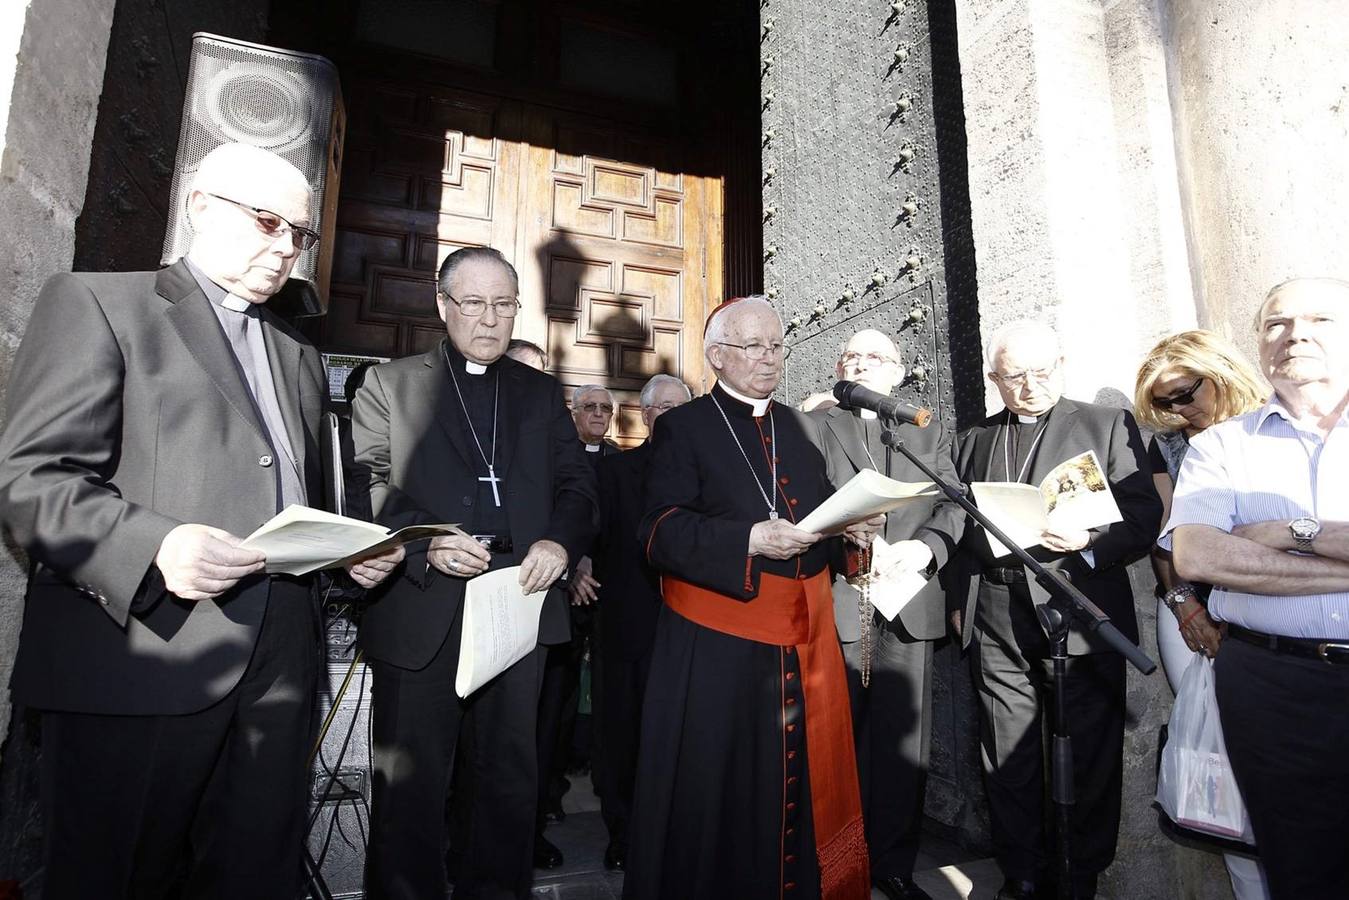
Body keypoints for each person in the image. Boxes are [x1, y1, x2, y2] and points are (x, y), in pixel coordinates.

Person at [0, 142, 402, 898]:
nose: (286, 247)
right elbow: (30, 478)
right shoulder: (97, 302)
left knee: (254, 875)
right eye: (266, 222)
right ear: (198, 207)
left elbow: (293, 499)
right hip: (147, 653)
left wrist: (346, 554)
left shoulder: (296, 351)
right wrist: (155, 547)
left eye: (300, 234)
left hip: (280, 663)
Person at [351, 245, 598, 899]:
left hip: (515, 602)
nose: (489, 320)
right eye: (473, 303)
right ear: (442, 305)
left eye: (503, 304)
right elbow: (368, 484)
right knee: (411, 786)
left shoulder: (541, 394)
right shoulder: (389, 384)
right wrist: (423, 541)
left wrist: (557, 542)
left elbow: (579, 487)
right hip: (421, 608)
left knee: (506, 784)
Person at [626, 295, 875, 900]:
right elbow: (657, 531)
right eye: (753, 346)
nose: (770, 359)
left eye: (777, 345)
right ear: (716, 356)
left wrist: (849, 534)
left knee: (801, 782)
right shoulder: (683, 428)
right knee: (727, 784)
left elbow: (814, 516)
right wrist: (747, 538)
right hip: (720, 643)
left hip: (803, 639)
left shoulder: (800, 427)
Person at [948, 320, 1160, 900]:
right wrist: (958, 600)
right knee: (1004, 746)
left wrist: (1090, 539)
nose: (1030, 386)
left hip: (1080, 602)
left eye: (1042, 373)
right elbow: (958, 527)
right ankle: (1021, 871)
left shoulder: (1106, 424)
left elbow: (1142, 515)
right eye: (1015, 376)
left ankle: (1079, 873)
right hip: (996, 608)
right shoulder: (972, 439)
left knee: (1089, 745)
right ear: (995, 379)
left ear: (1061, 367)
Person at [1164, 277, 1349, 900]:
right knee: (1298, 869)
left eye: (1319, 319)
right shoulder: (1221, 445)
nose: (1295, 335)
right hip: (1272, 687)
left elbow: (1231, 551)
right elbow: (1197, 552)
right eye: (1276, 324)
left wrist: (1287, 533)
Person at [812, 329, 964, 900]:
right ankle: (833, 861)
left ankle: (892, 863)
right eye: (853, 356)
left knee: (904, 746)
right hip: (843, 598)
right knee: (840, 740)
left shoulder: (927, 430)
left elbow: (953, 502)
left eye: (877, 357)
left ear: (899, 373)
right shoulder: (816, 428)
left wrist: (921, 548)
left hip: (907, 600)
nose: (863, 364)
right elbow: (796, 506)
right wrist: (841, 528)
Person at [1132, 328, 1272, 900]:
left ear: (1221, 371)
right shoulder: (1166, 444)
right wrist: (1183, 603)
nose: (1178, 410)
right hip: (1190, 605)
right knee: (1217, 762)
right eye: (1164, 403)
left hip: (1272, 609)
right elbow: (1165, 538)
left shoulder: (1275, 427)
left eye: (1187, 392)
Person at [592, 373, 692, 872]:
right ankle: (624, 834)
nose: (670, 415)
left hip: (694, 629)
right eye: (661, 408)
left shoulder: (709, 473)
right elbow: (594, 540)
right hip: (629, 627)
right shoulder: (614, 474)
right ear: (646, 416)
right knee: (624, 736)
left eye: (680, 406)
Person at [533, 382, 620, 867]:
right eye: (589, 406)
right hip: (559, 600)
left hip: (605, 603)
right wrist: (572, 571)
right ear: (572, 411)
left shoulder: (617, 460)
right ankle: (545, 795)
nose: (598, 414)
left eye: (605, 408)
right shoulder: (555, 455)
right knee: (553, 708)